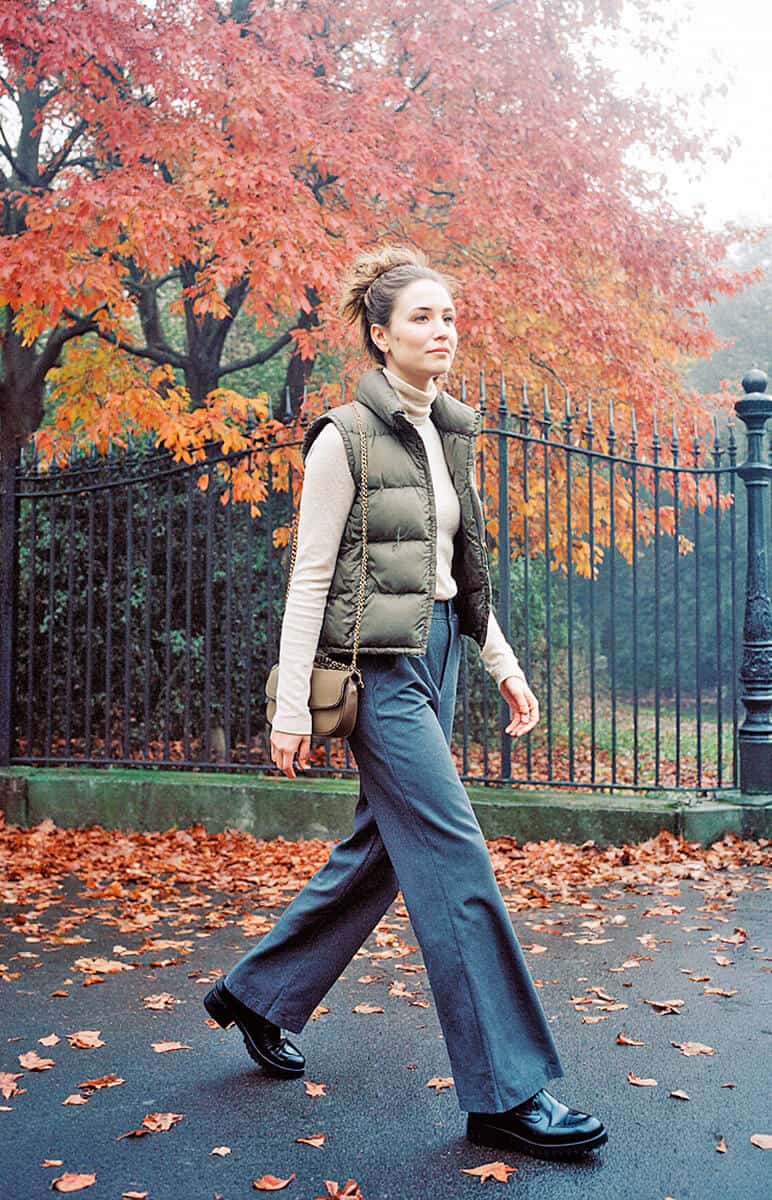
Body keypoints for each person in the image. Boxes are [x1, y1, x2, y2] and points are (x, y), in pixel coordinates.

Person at [204, 245, 608, 1161]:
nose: (443, 331)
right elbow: (309, 580)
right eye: (422, 317)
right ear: (380, 336)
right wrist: (289, 709)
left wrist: (502, 661)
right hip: (376, 672)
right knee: (454, 851)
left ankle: (257, 993)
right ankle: (506, 1091)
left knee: (382, 850)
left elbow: (460, 577)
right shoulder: (343, 437)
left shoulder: (446, 432)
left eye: (450, 316)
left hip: (436, 657)